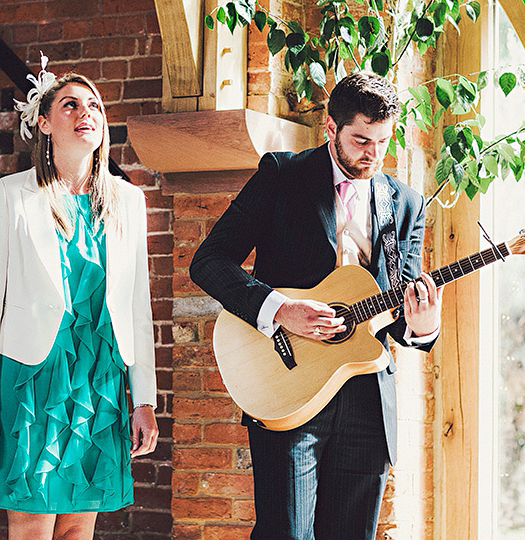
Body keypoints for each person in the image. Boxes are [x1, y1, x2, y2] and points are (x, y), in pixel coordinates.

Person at [189, 72, 443, 540]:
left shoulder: (405, 203)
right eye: (361, 140)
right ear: (331, 127)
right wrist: (281, 309)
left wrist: (424, 326)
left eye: (383, 141)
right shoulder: (282, 176)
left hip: (367, 396)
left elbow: (401, 312)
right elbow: (208, 262)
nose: (373, 154)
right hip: (289, 383)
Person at [0, 55, 159, 540]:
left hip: (100, 385)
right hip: (31, 384)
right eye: (69, 104)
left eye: (93, 104)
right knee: (33, 528)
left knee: (77, 530)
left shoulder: (128, 202)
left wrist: (146, 401)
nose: (84, 112)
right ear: (45, 123)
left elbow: (137, 308)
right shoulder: (9, 196)